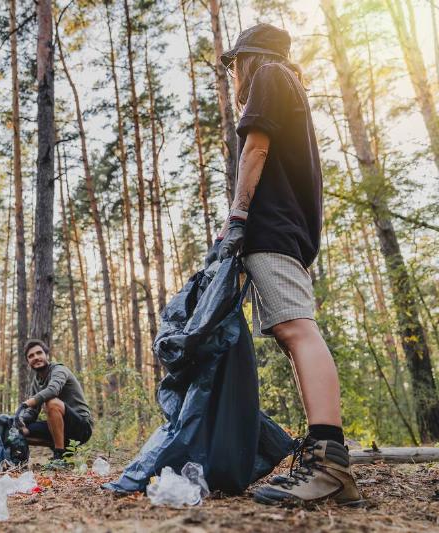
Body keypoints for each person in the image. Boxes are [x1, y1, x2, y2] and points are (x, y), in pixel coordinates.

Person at [210, 23, 361, 505]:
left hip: (273, 226)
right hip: (283, 228)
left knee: (298, 329)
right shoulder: (283, 81)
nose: (233, 73)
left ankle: (330, 462)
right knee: (291, 333)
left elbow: (255, 148)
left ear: (249, 57)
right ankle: (324, 456)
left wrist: (236, 217)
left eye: (235, 63)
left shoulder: (270, 75)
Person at [14, 339, 93, 468]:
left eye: (39, 353)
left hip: (81, 427)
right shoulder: (36, 381)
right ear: (28, 362)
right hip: (59, 428)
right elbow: (33, 412)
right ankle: (20, 460)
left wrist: (25, 404)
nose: (36, 357)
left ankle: (59, 458)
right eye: (31, 356)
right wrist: (20, 420)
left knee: (51, 402)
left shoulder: (59, 369)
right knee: (21, 431)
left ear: (46, 355)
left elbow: (53, 390)